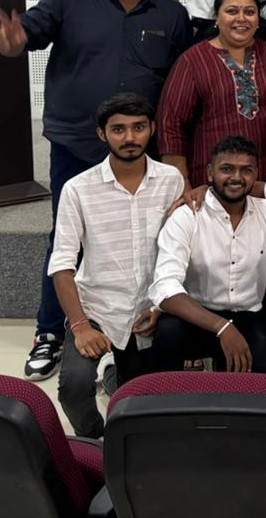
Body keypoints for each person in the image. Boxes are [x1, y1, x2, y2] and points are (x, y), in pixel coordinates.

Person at [0, 0, 190, 382]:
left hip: (140, 150)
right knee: (65, 240)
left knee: (149, 239)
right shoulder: (70, 0)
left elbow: (180, 82)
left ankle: (139, 326)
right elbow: (23, 36)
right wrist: (10, 41)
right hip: (77, 144)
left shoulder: (171, 15)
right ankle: (51, 332)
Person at [48, 93, 183, 437]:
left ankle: (112, 373)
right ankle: (96, 442)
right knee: (74, 388)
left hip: (149, 309)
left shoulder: (171, 180)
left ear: (152, 129)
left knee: (138, 399)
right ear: (101, 133)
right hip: (97, 309)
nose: (130, 137)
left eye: (138, 127)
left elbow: (181, 253)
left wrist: (160, 306)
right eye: (118, 129)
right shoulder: (78, 189)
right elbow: (61, 264)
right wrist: (80, 326)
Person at [147, 136, 266, 375]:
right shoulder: (188, 216)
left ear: (256, 174)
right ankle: (167, 397)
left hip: (249, 316)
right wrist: (222, 327)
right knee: (168, 334)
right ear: (209, 172)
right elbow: (164, 288)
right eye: (227, 169)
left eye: (246, 170)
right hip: (197, 315)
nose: (236, 177)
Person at [157, 0, 266, 193]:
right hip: (208, 183)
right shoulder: (192, 60)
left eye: (249, 12)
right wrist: (181, 184)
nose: (241, 18)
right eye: (232, 11)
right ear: (216, 17)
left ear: (258, 19)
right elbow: (171, 125)